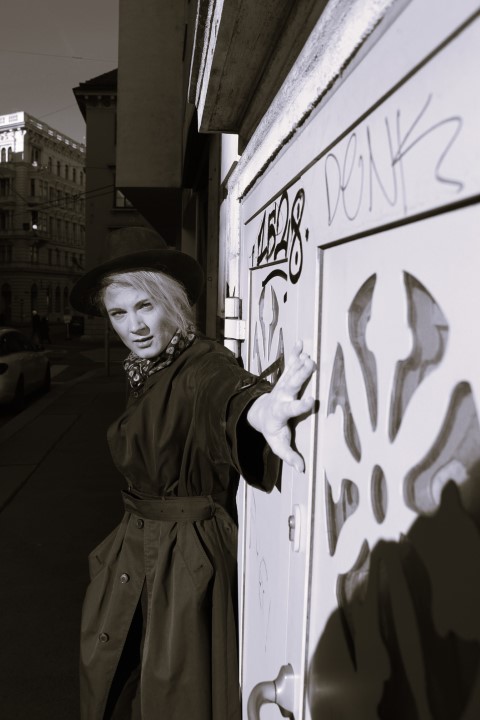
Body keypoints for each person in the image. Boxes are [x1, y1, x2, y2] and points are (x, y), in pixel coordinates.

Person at [70, 227, 316, 720]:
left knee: (176, 696)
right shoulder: (145, 369)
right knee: (118, 681)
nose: (135, 326)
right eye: (119, 313)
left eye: (146, 306)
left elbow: (225, 392)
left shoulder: (201, 362)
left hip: (185, 561)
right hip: (136, 550)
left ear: (172, 304)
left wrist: (262, 411)